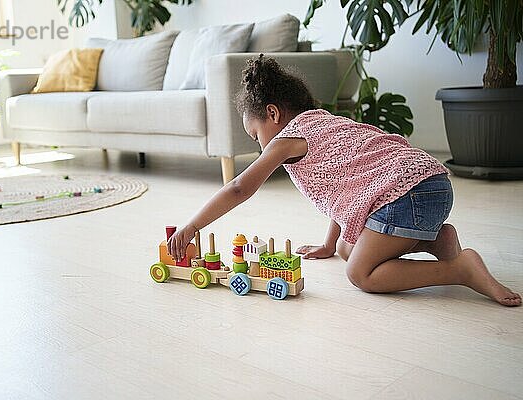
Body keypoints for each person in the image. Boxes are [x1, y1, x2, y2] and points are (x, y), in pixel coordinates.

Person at [167, 55, 521, 307]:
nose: (260, 144)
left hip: (405, 196)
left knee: (361, 273)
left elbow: (239, 187)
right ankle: (436, 239)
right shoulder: (323, 122)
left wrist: (193, 225)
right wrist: (327, 243)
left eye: (255, 134)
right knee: (344, 248)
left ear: (273, 115)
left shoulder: (286, 140)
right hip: (431, 184)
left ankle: (459, 269)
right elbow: (348, 185)